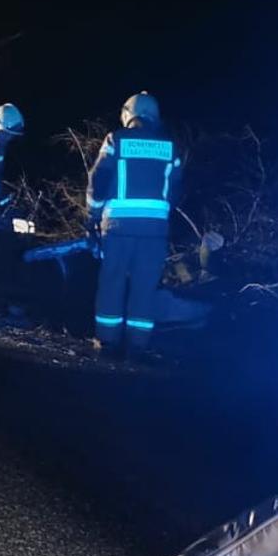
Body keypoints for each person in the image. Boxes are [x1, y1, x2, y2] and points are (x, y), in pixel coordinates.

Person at [88, 92, 183, 358]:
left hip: (118, 227)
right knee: (145, 285)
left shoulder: (116, 140)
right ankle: (138, 345)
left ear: (128, 114)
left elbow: (99, 179)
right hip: (155, 230)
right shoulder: (169, 147)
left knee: (112, 281)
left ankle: (107, 343)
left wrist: (92, 216)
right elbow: (176, 188)